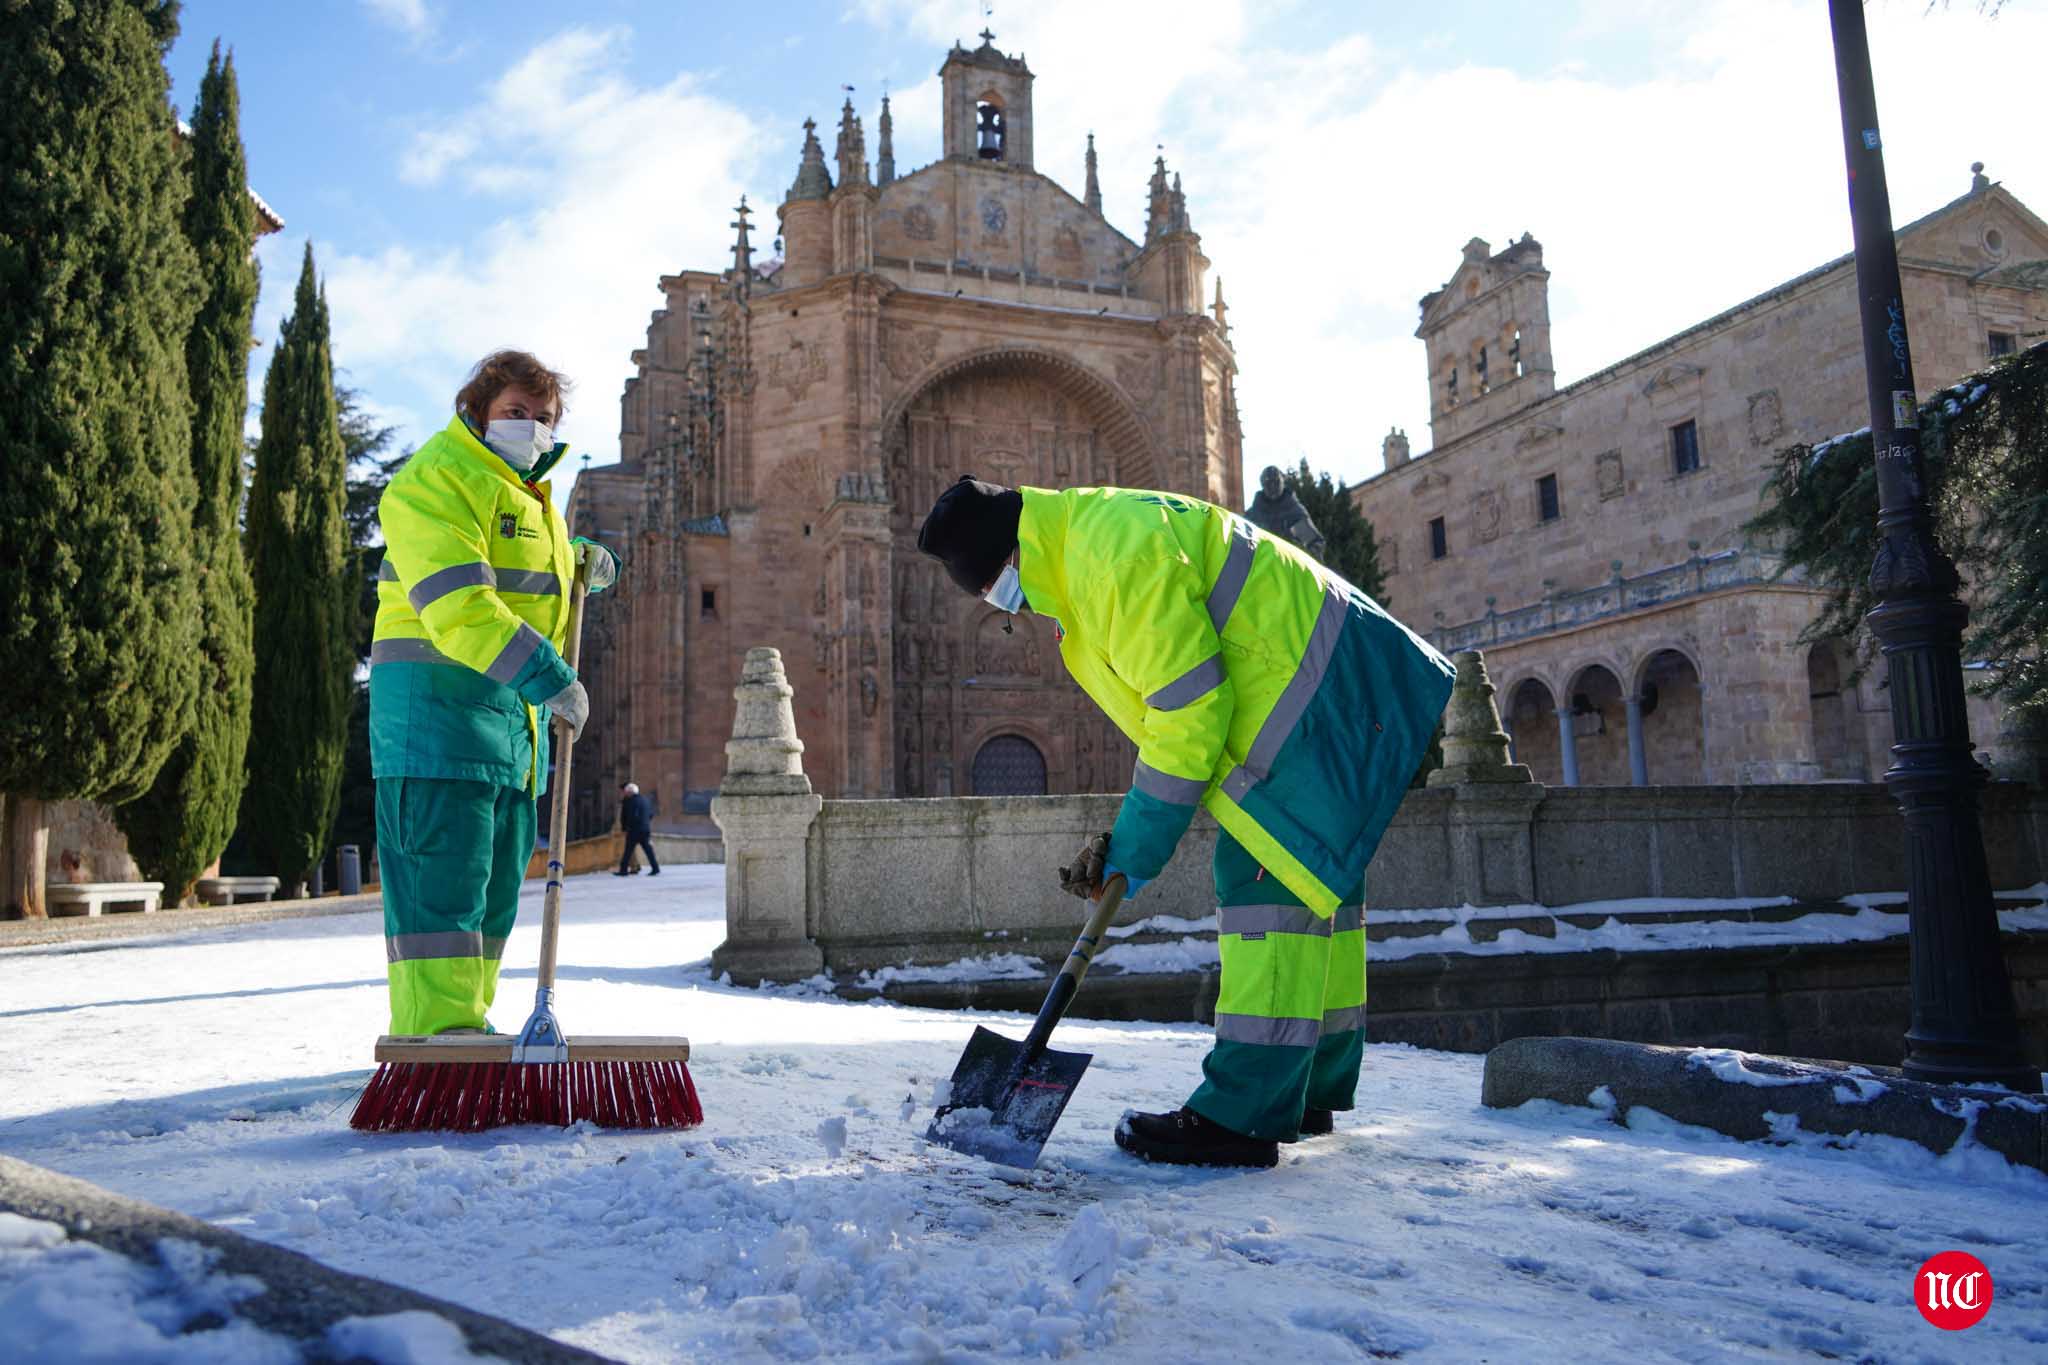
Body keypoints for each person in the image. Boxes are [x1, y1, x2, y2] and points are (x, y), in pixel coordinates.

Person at [918, 476, 1453, 1168]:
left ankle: (1243, 1112)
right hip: (1333, 684)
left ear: (1009, 554)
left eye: (992, 584)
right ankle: (1305, 1083)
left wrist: (1134, 850)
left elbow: (1189, 710)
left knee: (1265, 873)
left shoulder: (1108, 556)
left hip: (1312, 694)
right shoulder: (1087, 543)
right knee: (1317, 880)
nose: (1001, 603)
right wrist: (1121, 844)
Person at [370, 350, 617, 1036]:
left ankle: (463, 1036)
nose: (532, 427)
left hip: (508, 737)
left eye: (544, 418)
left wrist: (576, 560)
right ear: (476, 411)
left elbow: (528, 586)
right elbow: (462, 608)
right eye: (516, 412)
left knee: (489, 900)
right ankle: (433, 1039)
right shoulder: (440, 478)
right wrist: (553, 679)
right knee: (441, 899)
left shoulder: (527, 497)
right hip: (436, 726)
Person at [1243, 464, 1327, 560]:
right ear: (1263, 485)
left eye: (1276, 482)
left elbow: (1314, 544)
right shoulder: (1253, 516)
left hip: (1290, 567)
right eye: (1268, 483)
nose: (1272, 486)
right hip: (1263, 569)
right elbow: (1242, 544)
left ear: (1283, 481)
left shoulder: (1292, 511)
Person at [615, 782, 659, 877]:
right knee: (648, 850)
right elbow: (651, 814)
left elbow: (626, 816)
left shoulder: (628, 801)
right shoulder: (645, 800)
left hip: (634, 830)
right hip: (645, 829)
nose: (625, 794)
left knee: (628, 851)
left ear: (629, 792)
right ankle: (655, 868)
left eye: (626, 792)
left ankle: (623, 870)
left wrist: (624, 828)